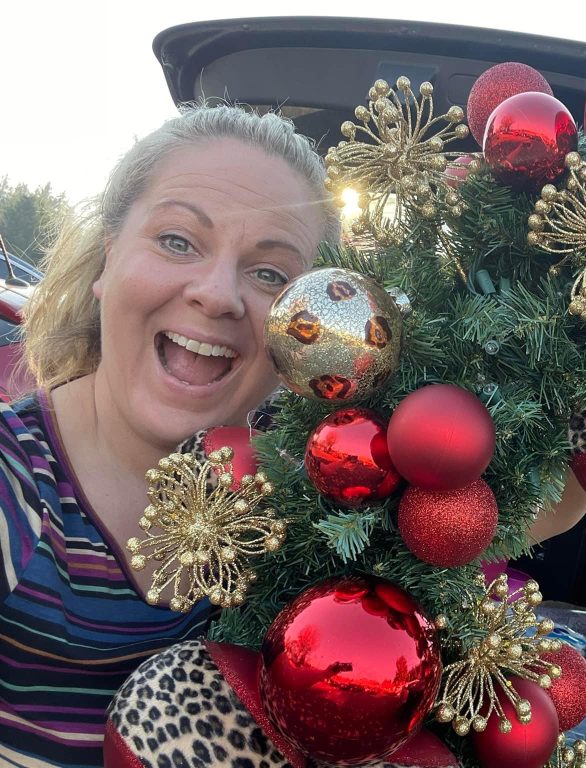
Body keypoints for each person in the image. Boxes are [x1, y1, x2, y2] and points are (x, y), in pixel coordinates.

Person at [0, 103, 340, 766]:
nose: (217, 295)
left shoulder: (297, 504)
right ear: (107, 259)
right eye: (178, 241)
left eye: (270, 274)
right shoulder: (18, 482)